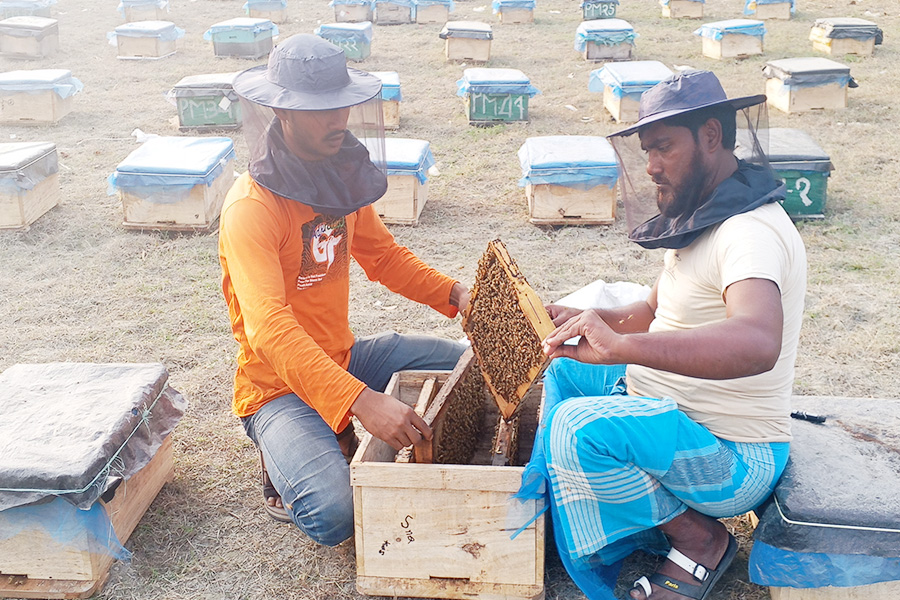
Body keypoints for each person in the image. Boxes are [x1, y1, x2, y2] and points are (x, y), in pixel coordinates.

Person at [522, 70, 807, 600]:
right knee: (564, 370)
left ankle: (698, 539)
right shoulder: (707, 213)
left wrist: (624, 347)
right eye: (647, 150)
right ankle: (602, 497)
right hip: (676, 417)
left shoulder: (749, 232)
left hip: (732, 456)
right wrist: (581, 317)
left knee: (576, 427)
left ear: (711, 136)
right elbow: (651, 311)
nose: (651, 165)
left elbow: (757, 341)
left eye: (664, 147)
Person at [218, 34, 468, 545]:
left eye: (342, 105)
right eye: (320, 110)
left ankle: (332, 423)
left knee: (466, 361)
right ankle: (280, 457)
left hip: (344, 357)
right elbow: (269, 330)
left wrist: (457, 295)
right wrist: (361, 401)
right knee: (337, 514)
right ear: (282, 113)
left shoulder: (339, 179)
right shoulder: (251, 208)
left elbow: (384, 257)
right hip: (277, 388)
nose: (338, 120)